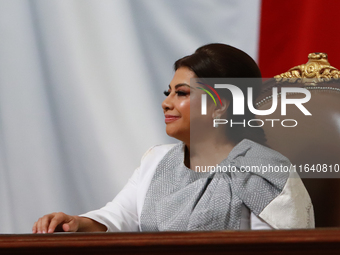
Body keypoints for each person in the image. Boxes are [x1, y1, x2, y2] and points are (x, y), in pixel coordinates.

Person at [32, 43, 314, 234]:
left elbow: (283, 248)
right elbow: (120, 216)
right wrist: (77, 223)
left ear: (220, 105)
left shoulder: (267, 171)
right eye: (167, 93)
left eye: (181, 93)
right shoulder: (156, 160)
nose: (166, 103)